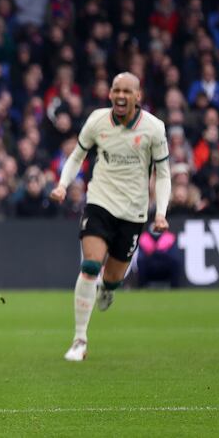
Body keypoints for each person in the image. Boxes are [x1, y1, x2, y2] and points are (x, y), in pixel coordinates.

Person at [50, 72, 170, 361]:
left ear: (138, 97)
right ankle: (80, 339)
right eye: (116, 89)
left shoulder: (154, 129)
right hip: (100, 202)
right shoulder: (97, 121)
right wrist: (63, 184)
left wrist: (162, 212)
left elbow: (163, 173)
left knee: (113, 277)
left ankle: (108, 288)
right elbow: (77, 156)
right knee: (90, 265)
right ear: (110, 94)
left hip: (133, 211)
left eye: (127, 91)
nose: (120, 95)